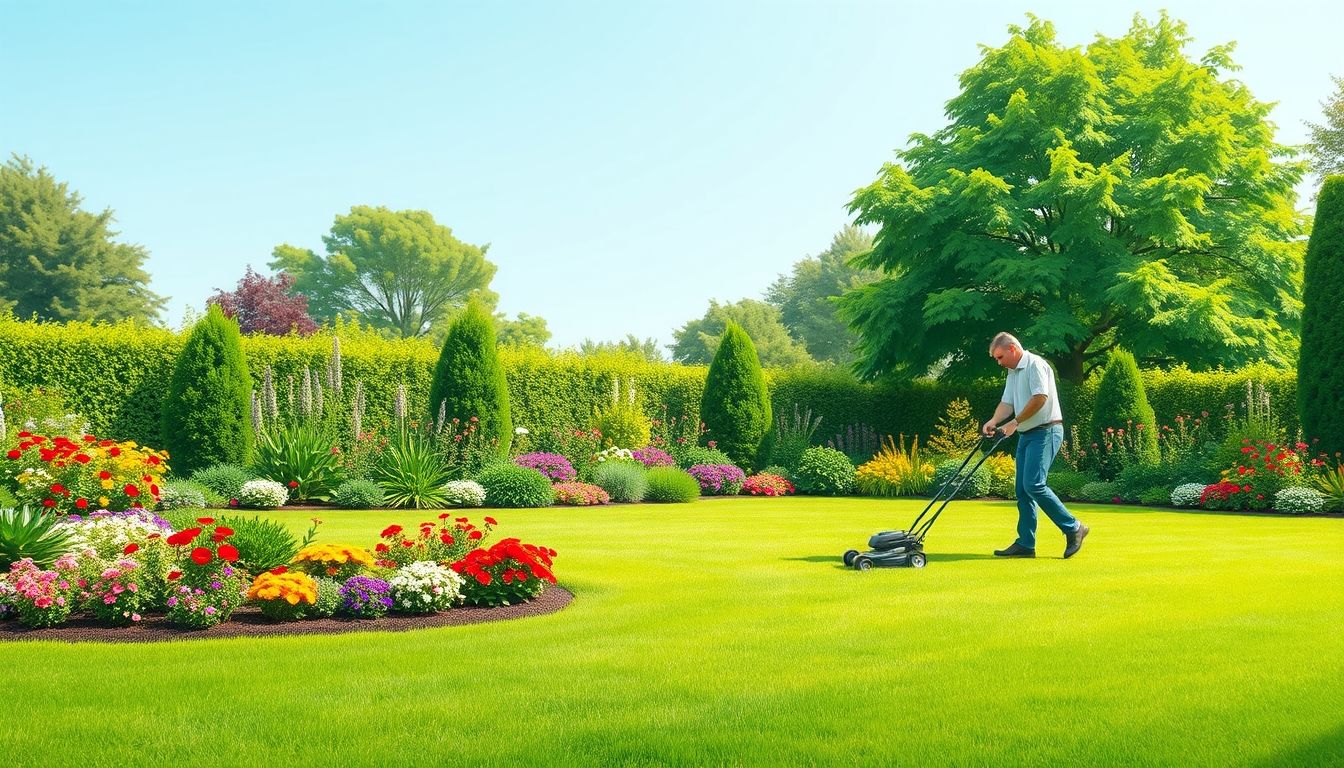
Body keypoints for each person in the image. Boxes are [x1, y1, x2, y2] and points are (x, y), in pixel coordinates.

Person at [981, 332, 1089, 559]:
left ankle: (1074, 527)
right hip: (1027, 434)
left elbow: (1040, 398)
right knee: (1022, 490)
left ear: (1012, 349)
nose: (999, 362)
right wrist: (994, 420)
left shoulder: (1035, 365)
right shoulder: (1013, 372)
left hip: (1046, 431)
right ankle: (1025, 544)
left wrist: (1015, 422)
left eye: (1000, 357)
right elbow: (1007, 402)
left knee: (1034, 484)